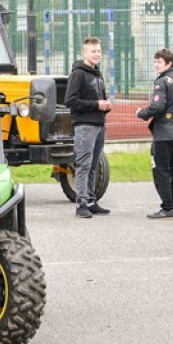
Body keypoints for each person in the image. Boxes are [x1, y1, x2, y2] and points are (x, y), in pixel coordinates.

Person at [136, 48, 173, 219]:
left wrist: (141, 113)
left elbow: (157, 106)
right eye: (155, 61)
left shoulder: (161, 82)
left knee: (161, 170)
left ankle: (167, 207)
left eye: (159, 62)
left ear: (169, 63)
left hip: (164, 135)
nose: (156, 65)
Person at [65, 36, 111, 219]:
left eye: (99, 51)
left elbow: (98, 98)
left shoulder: (97, 73)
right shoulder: (78, 74)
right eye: (93, 51)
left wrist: (105, 106)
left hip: (99, 125)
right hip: (85, 126)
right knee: (83, 165)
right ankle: (81, 204)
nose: (97, 54)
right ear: (84, 53)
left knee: (93, 166)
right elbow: (71, 100)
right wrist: (96, 105)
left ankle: (91, 201)